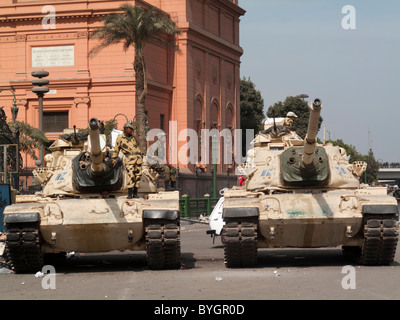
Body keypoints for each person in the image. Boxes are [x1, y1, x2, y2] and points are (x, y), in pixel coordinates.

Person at [110, 121, 143, 199]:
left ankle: (135, 192)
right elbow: (116, 150)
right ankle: (130, 193)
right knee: (130, 175)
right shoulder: (120, 138)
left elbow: (137, 146)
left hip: (138, 158)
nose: (131, 130)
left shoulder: (133, 137)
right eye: (130, 129)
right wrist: (113, 160)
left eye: (132, 129)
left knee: (138, 176)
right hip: (129, 159)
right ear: (125, 129)